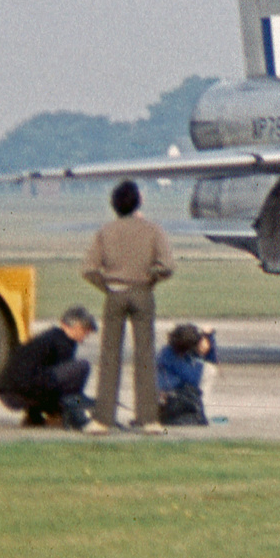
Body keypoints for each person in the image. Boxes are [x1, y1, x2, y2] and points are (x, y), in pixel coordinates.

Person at [81, 180, 175, 435]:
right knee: (145, 357)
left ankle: (102, 419)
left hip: (114, 294)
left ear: (113, 205)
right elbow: (167, 266)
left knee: (109, 356)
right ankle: (148, 419)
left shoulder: (106, 231)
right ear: (138, 202)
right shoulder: (153, 230)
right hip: (143, 293)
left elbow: (88, 269)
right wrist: (151, 278)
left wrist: (107, 286)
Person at [0, 306, 97, 428]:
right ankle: (76, 417)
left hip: (6, 393)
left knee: (52, 378)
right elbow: (65, 387)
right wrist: (78, 402)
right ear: (70, 326)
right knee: (80, 368)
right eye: (84, 329)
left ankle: (34, 417)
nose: (87, 333)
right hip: (21, 392)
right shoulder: (63, 342)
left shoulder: (49, 337)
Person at [157, 323, 217, 426]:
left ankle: (197, 410)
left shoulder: (184, 352)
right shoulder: (168, 355)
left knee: (210, 369)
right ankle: (195, 410)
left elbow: (211, 360)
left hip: (177, 393)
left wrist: (208, 338)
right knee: (207, 371)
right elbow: (191, 379)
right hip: (168, 396)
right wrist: (199, 360)